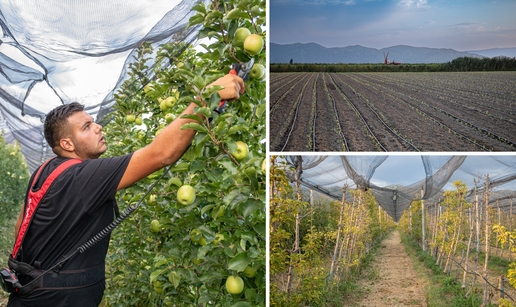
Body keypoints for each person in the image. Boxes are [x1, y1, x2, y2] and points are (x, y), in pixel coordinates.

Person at [6, 74, 244, 307]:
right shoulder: (83, 176)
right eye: (87, 127)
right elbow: (162, 153)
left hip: (29, 294)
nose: (98, 127)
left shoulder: (45, 171)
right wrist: (206, 97)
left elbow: (21, 226)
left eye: (93, 122)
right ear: (67, 144)